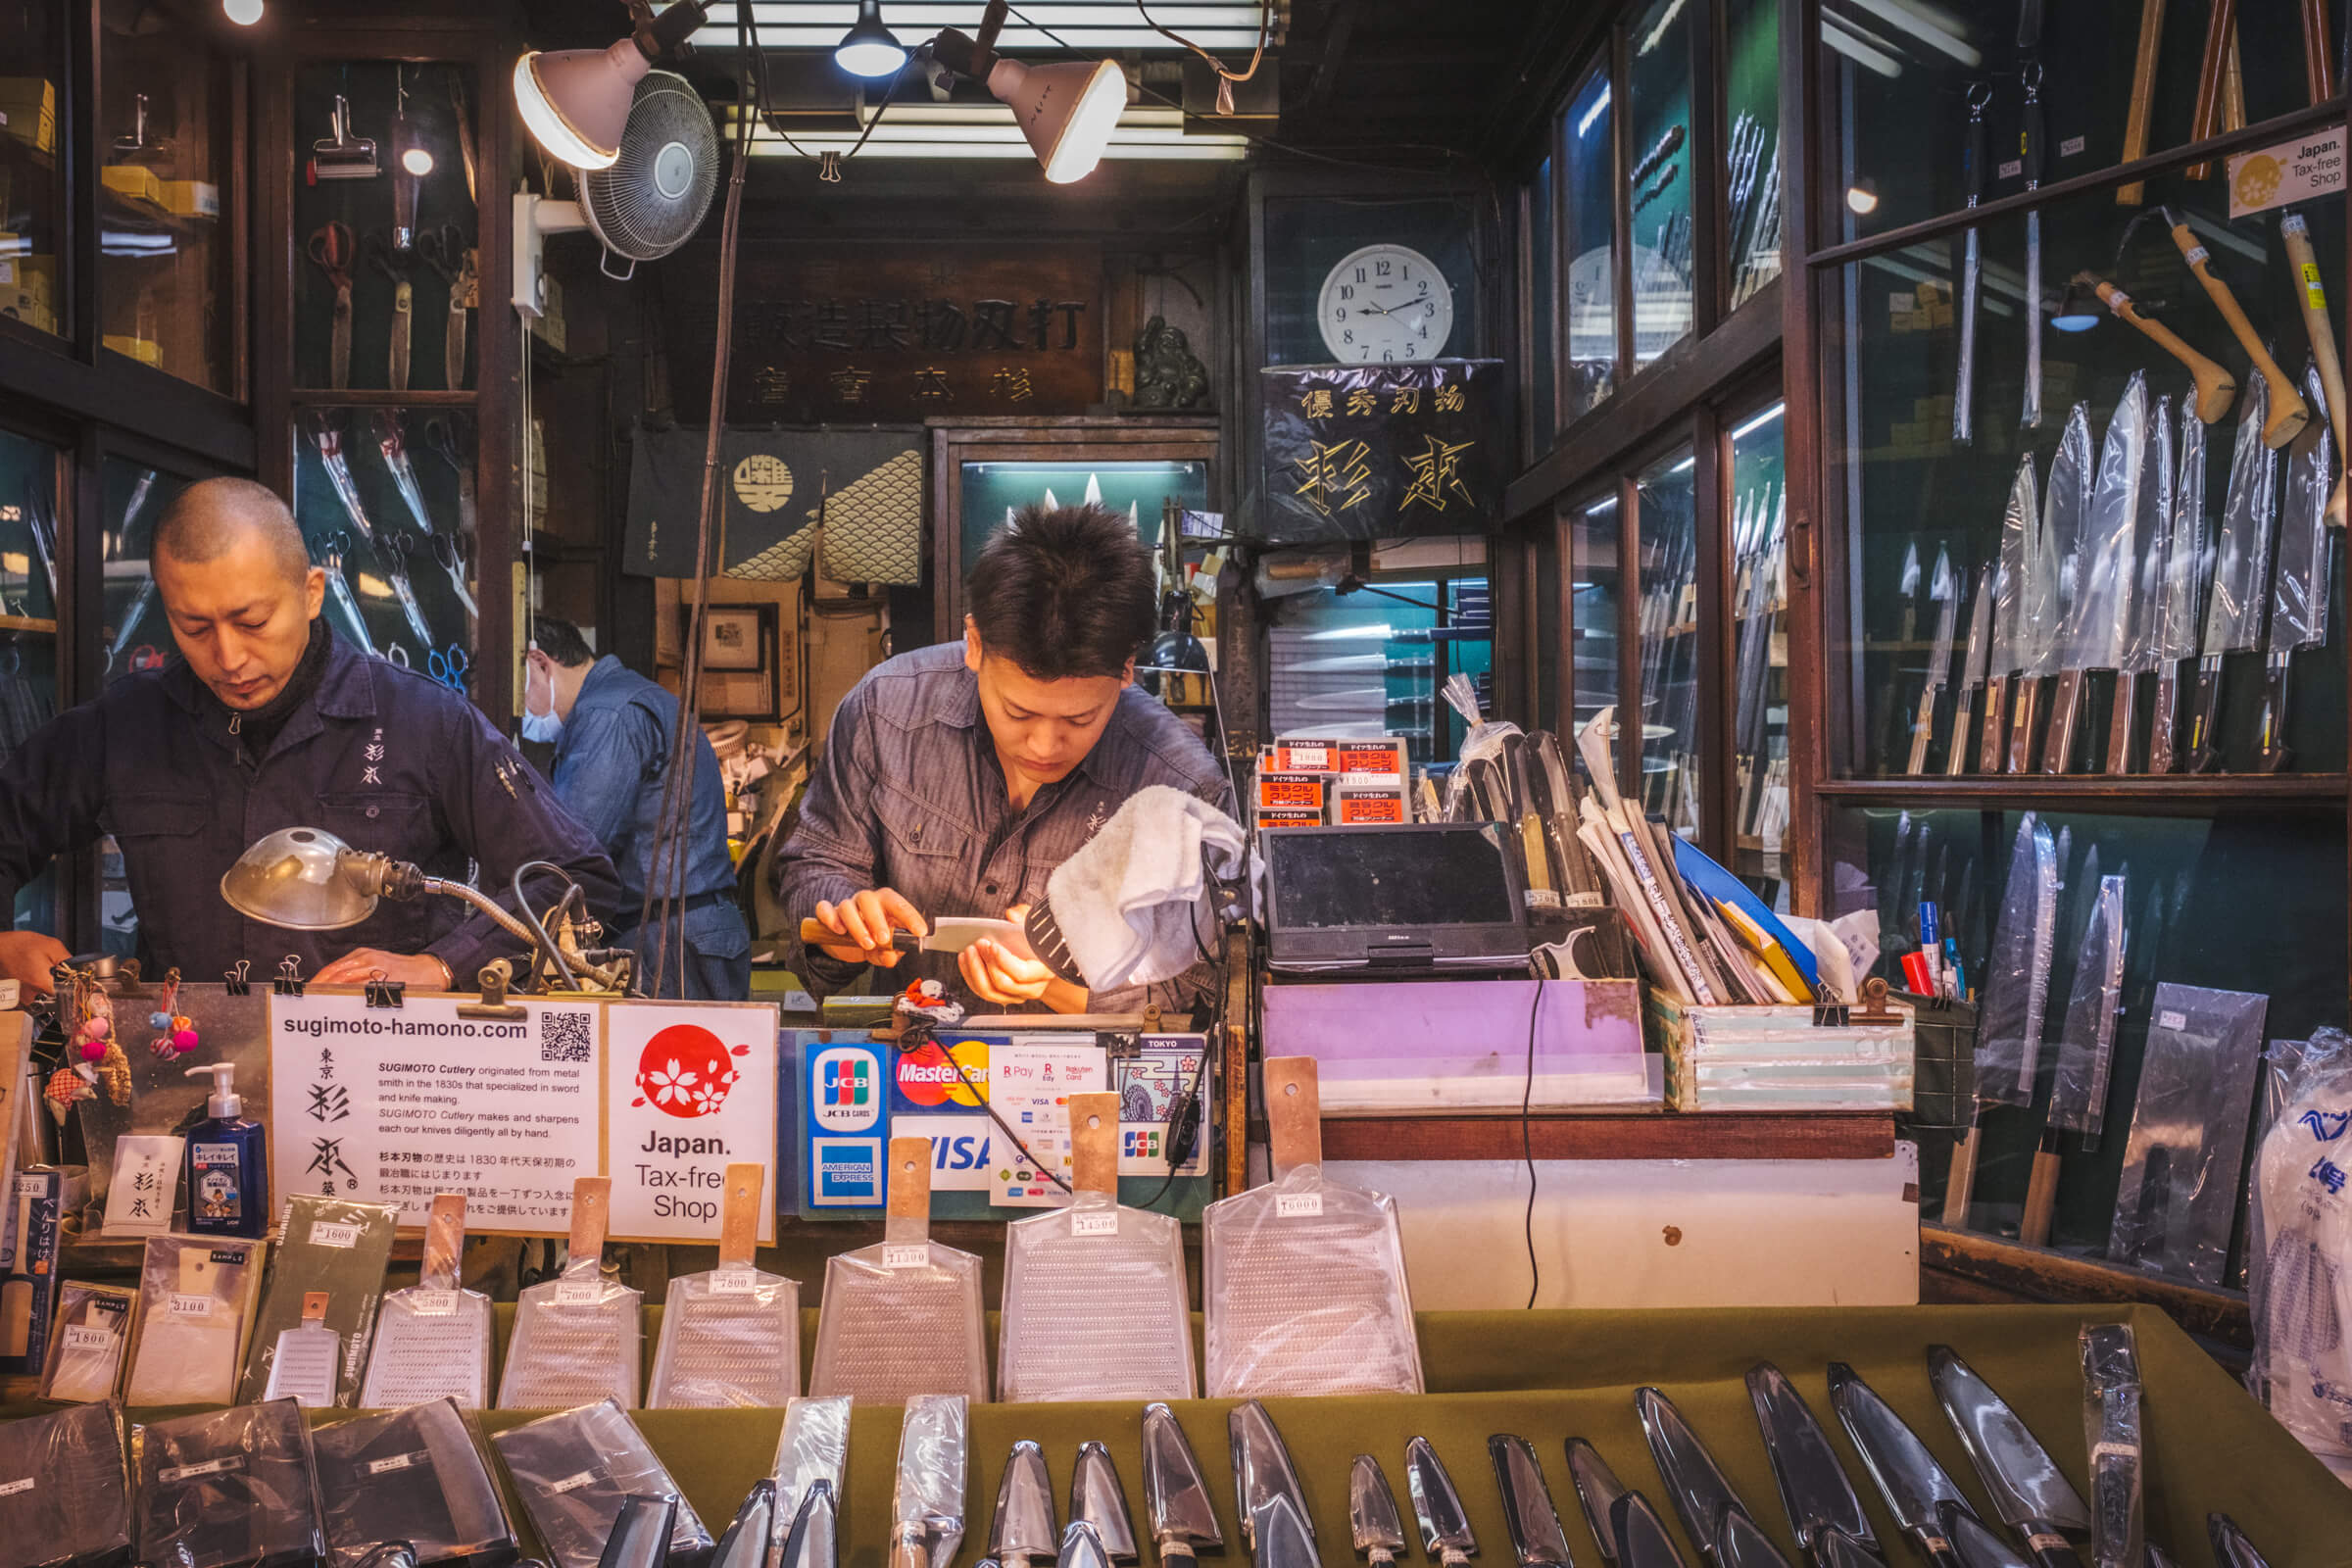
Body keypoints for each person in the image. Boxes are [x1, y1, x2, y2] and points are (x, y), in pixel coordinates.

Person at [0, 478, 620, 994]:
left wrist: (442, 966)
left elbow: (574, 880)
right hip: (185, 1073)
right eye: (195, 628)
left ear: (311, 593)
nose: (228, 656)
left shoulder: (423, 721)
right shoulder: (127, 726)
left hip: (384, 1082)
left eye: (253, 621)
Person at [779, 500, 1232, 1016]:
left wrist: (1057, 987)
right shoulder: (886, 713)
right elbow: (818, 861)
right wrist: (843, 921)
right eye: (1018, 712)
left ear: (1127, 667)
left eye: (1079, 720)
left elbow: (1202, 987)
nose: (1043, 745)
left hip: (1085, 1087)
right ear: (975, 644)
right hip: (913, 1065)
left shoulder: (1177, 787)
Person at [520, 616, 750, 1001]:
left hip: (669, 938)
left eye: (518, 691)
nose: (521, 707)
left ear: (541, 663)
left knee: (670, 1059)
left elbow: (574, 845)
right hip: (688, 929)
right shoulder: (629, 697)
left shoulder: (607, 712)